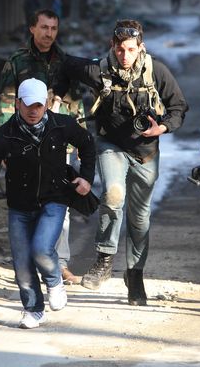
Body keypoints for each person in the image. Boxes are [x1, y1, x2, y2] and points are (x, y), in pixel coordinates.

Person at [54, 19, 188, 306]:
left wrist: (161, 128)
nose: (124, 56)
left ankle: (135, 274)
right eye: (120, 49)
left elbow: (178, 107)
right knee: (113, 194)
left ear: (141, 48)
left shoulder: (156, 71)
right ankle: (104, 260)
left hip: (146, 151)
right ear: (111, 46)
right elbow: (65, 64)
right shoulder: (98, 69)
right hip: (110, 145)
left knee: (139, 218)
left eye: (131, 49)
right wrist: (58, 96)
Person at [0, 78, 96, 329]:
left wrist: (86, 178)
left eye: (38, 105)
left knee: (42, 248)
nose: (33, 111)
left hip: (54, 200)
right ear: (17, 104)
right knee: (22, 261)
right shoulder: (4, 136)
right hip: (20, 207)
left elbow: (88, 144)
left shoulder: (62, 125)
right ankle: (33, 309)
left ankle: (54, 281)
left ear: (46, 104)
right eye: (27, 105)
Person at [0, 9, 87, 285]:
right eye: (44, 27)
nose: (49, 33)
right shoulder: (16, 62)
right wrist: (5, 146)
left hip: (60, 141)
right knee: (27, 201)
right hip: (24, 141)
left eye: (54, 29)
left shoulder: (66, 63)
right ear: (32, 29)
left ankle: (58, 264)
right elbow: (6, 105)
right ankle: (30, 262)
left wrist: (81, 140)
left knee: (61, 202)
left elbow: (76, 104)